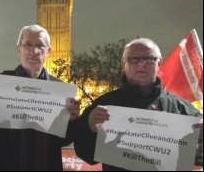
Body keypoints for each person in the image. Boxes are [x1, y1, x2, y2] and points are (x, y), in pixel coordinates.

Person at [73, 38, 203, 171]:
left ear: (159, 63)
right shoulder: (103, 105)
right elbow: (87, 155)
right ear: (124, 63)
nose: (141, 64)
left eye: (149, 58)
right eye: (134, 59)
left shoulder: (181, 108)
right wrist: (91, 128)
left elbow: (196, 157)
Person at [0, 24, 81, 170]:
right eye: (28, 44)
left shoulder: (60, 89)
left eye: (40, 45)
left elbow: (64, 140)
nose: (34, 50)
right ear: (19, 49)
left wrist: (72, 120)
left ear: (48, 51)